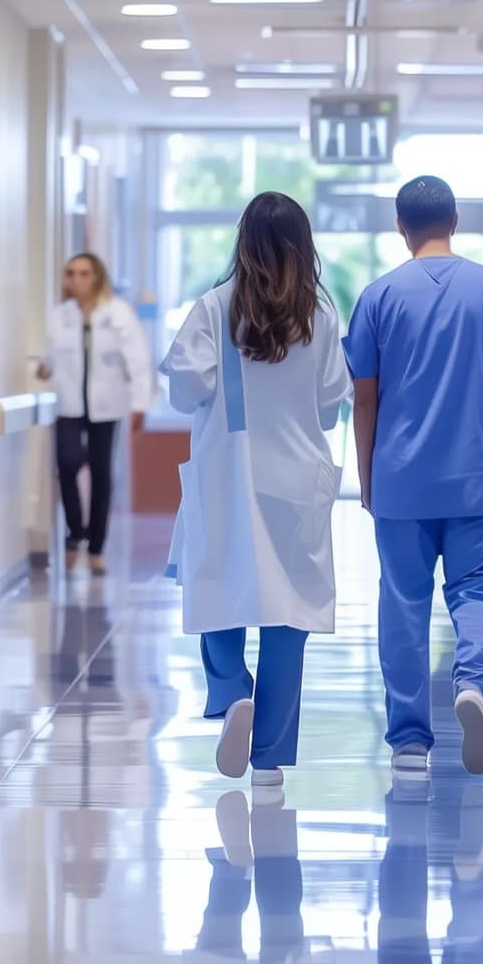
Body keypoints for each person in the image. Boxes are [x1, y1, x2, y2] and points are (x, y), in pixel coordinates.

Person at [345, 175, 483, 778]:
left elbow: (366, 398)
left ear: (400, 228)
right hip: (479, 475)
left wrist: (369, 475)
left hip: (401, 478)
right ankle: (474, 681)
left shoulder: (378, 296)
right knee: (479, 588)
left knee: (403, 604)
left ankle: (408, 744)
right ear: (455, 222)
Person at [162, 192, 351, 789]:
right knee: (287, 613)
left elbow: (185, 393)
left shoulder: (213, 308)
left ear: (243, 242)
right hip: (296, 480)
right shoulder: (320, 316)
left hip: (228, 475)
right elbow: (329, 407)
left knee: (216, 585)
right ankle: (269, 758)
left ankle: (231, 691)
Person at [40, 252, 151, 574]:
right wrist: (44, 369)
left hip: (107, 405)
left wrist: (139, 404)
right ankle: (76, 531)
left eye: (84, 273)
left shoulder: (118, 313)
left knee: (102, 474)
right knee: (68, 463)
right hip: (69, 405)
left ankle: (97, 547)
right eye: (71, 273)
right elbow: (50, 356)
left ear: (97, 276)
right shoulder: (59, 315)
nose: (77, 280)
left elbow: (138, 360)